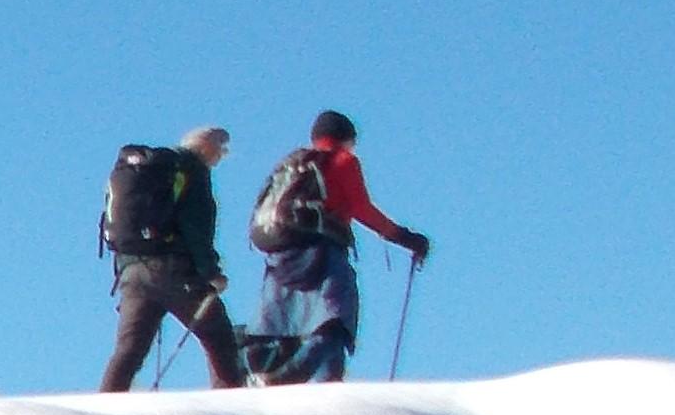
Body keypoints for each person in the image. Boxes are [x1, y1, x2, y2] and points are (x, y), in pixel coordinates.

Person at [250, 110, 430, 386]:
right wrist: (404, 238)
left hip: (280, 253)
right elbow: (362, 208)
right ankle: (292, 378)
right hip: (321, 251)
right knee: (336, 322)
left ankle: (323, 384)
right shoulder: (343, 161)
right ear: (346, 139)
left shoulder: (291, 165)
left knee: (282, 328)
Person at [97, 127, 250, 392]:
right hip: (172, 270)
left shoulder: (151, 174)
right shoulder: (192, 170)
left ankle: (103, 409)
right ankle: (231, 404)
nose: (221, 156)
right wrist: (211, 272)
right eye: (221, 149)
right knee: (219, 336)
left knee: (130, 349)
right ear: (206, 147)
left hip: (131, 271)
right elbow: (196, 228)